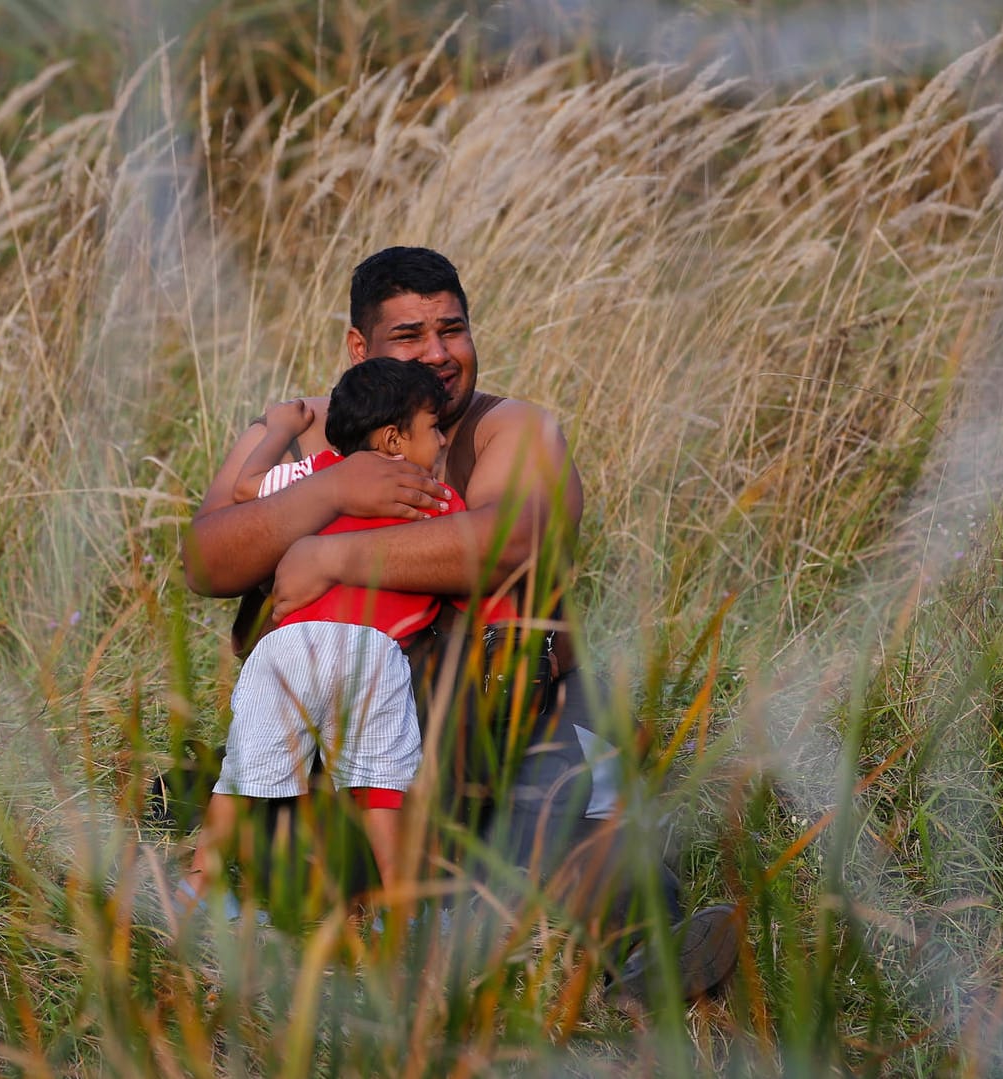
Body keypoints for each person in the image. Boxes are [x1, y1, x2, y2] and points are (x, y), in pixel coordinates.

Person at [181, 246, 737, 1002]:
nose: (438, 353)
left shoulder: (513, 430)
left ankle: (652, 963)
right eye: (410, 335)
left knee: (568, 820)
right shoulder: (301, 430)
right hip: (337, 740)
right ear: (358, 349)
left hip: (505, 723)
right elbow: (207, 558)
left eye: (453, 329)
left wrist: (333, 559)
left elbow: (513, 539)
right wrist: (332, 490)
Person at [182, 357, 499, 915]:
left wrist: (280, 426)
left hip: (290, 647)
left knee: (244, 771)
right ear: (395, 439)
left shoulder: (320, 474)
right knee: (381, 788)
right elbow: (470, 556)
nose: (445, 438)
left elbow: (247, 487)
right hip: (374, 655)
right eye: (433, 426)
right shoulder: (429, 495)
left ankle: (197, 884)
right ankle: (401, 904)